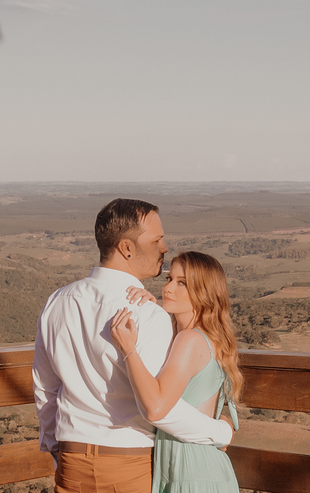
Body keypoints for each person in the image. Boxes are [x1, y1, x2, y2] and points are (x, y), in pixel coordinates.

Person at [33, 199, 233, 493]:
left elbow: (46, 388)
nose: (164, 247)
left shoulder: (58, 301)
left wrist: (54, 448)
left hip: (71, 460)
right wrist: (220, 431)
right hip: (129, 463)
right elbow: (159, 407)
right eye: (156, 240)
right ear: (126, 248)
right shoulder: (148, 315)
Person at [110, 251, 242, 493]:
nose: (168, 288)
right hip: (194, 466)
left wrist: (129, 349)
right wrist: (151, 311)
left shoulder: (190, 340)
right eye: (169, 279)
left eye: (182, 283)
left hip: (191, 469)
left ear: (205, 291)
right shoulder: (196, 338)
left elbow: (157, 405)